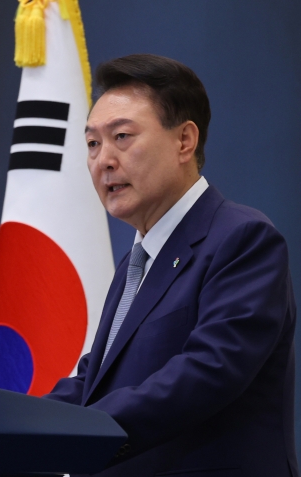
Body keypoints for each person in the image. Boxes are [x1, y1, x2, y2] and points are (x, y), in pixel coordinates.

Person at [44, 54, 298, 477]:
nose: (103, 159)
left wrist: (84, 429)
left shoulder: (242, 239)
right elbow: (97, 379)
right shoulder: (136, 260)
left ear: (184, 141)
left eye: (121, 136)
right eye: (92, 143)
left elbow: (207, 370)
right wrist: (13, 426)